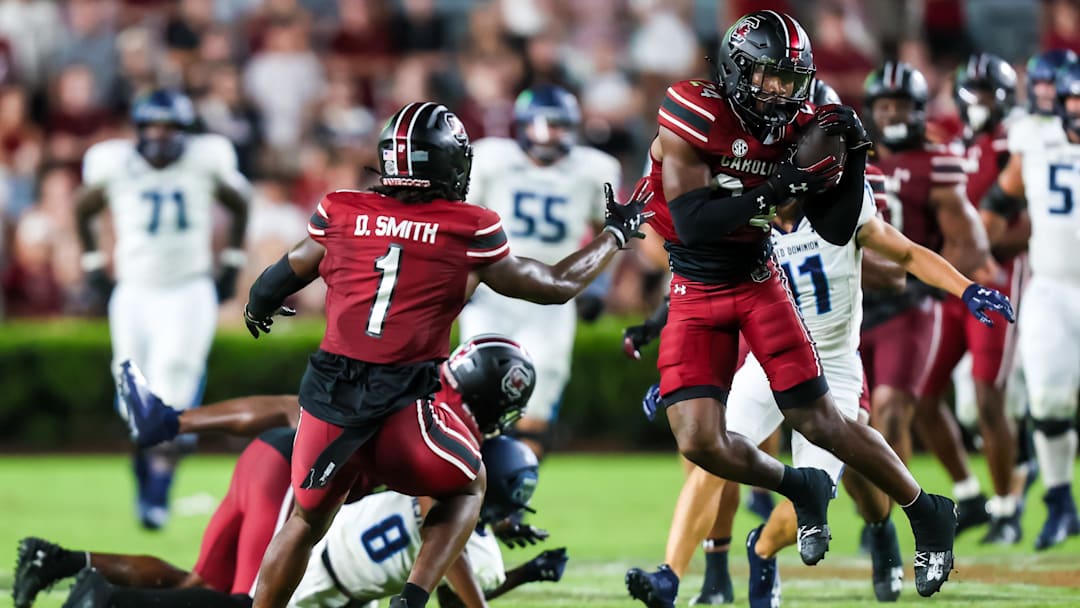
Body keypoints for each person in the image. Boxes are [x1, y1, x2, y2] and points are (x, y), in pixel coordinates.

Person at [239, 101, 651, 608]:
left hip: (328, 399)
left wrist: (258, 307)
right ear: (450, 164)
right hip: (399, 406)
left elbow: (282, 274)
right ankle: (412, 598)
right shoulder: (466, 227)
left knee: (305, 523)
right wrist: (614, 236)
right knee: (468, 484)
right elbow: (556, 284)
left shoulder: (342, 209)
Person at [624, 12, 960, 607]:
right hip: (695, 285)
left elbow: (833, 230)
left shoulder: (802, 124)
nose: (781, 92)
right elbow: (698, 225)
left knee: (824, 421)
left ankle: (927, 511)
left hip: (757, 282)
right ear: (735, 68)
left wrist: (850, 158)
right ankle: (797, 486)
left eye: (790, 79)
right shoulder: (692, 109)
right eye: (768, 77)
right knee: (700, 444)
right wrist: (780, 186)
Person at [15, 337, 566, 608]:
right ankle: (103, 599)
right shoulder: (449, 429)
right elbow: (435, 517)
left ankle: (61, 560)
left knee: (198, 585)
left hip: (272, 456)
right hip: (292, 482)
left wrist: (177, 421)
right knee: (242, 605)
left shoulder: (411, 379)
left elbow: (287, 408)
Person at [74, 89, 251, 530]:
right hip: (135, 289)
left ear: (185, 132)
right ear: (137, 129)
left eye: (170, 127)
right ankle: (145, 471)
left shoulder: (206, 158)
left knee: (172, 384)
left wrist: (231, 263)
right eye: (152, 126)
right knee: (133, 391)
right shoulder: (113, 163)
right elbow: (84, 206)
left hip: (188, 289)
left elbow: (240, 202)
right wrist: (93, 260)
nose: (160, 136)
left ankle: (158, 492)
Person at [857, 61, 994, 535]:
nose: (892, 113)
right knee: (854, 423)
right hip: (852, 306)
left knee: (893, 411)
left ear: (919, 111)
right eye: (884, 104)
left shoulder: (937, 162)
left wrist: (925, 276)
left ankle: (888, 524)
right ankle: (873, 514)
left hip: (910, 303)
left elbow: (970, 243)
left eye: (901, 105)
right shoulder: (850, 156)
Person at [458, 84, 622, 461]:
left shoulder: (595, 169)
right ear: (521, 126)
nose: (548, 135)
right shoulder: (491, 158)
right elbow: (462, 221)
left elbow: (609, 232)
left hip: (552, 293)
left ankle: (514, 494)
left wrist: (597, 284)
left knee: (539, 397)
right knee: (474, 390)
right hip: (494, 291)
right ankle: (466, 485)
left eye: (559, 125)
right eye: (541, 125)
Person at [912, 53, 1028, 545]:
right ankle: (972, 494)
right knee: (923, 396)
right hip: (953, 284)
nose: (978, 103)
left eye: (987, 93)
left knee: (987, 398)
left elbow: (1029, 222)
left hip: (997, 281)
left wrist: (983, 245)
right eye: (972, 92)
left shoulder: (1016, 142)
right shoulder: (953, 143)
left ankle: (1007, 509)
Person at [981, 59, 1080, 551]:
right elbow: (1000, 201)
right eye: (1073, 104)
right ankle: (1061, 503)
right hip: (1053, 286)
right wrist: (979, 251)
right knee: (1046, 398)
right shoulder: (1035, 140)